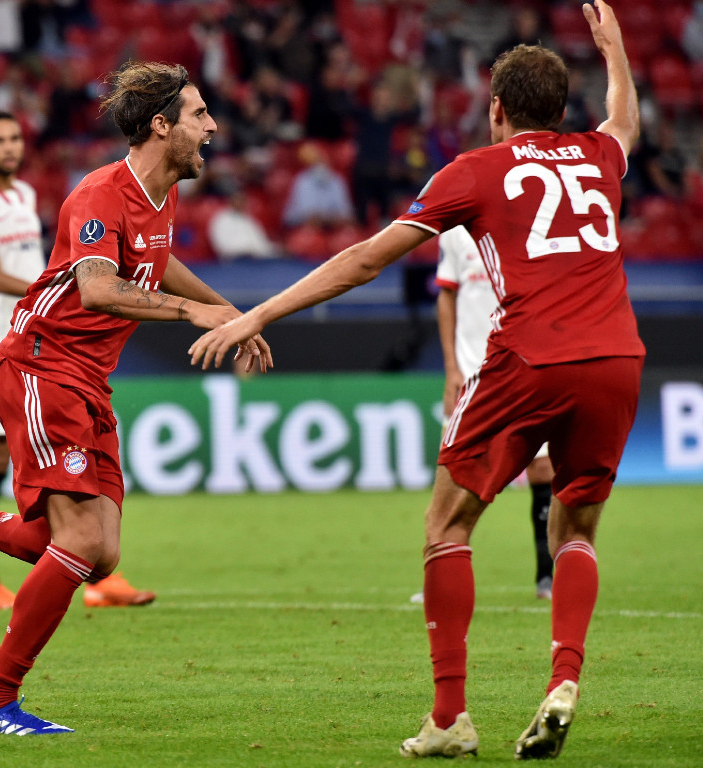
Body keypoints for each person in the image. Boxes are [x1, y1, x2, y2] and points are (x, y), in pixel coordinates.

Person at [190, 2, 641, 759]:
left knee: (446, 525)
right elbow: (626, 119)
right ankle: (563, 675)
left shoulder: (476, 170)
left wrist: (258, 313)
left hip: (529, 358)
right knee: (576, 527)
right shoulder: (599, 155)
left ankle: (449, 718)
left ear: (496, 108)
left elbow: (367, 257)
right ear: (563, 111)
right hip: (619, 359)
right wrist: (617, 51)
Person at [0, 60, 271, 735]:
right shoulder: (98, 193)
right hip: (40, 363)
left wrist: (230, 310)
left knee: (99, 554)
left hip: (86, 377)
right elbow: (96, 288)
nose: (212, 127)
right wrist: (191, 315)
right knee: (80, 540)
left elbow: (157, 257)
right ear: (161, 124)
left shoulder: (159, 195)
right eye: (200, 115)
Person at [0, 110, 158, 611]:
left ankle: (96, 570)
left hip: (49, 336)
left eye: (15, 138)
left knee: (67, 460)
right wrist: (70, 288)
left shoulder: (23, 195)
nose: (9, 147)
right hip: (0, 337)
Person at [409, 225, 553, 604]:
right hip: (472, 374)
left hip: (526, 367)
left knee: (544, 469)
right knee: (453, 476)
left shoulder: (530, 221)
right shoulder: (454, 232)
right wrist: (451, 369)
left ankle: (547, 575)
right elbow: (447, 297)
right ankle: (437, 580)